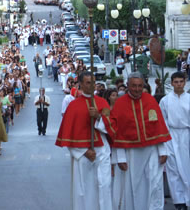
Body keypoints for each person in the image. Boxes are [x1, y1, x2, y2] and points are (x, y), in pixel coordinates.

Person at [55, 71, 115, 210]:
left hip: (102, 151)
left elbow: (111, 127)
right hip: (83, 154)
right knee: (84, 190)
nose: (91, 85)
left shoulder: (102, 102)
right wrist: (83, 151)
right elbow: (69, 136)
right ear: (81, 84)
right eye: (88, 83)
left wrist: (99, 117)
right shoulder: (73, 106)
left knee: (104, 185)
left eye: (93, 82)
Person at [111, 72, 171, 210]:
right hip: (130, 153)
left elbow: (159, 126)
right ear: (128, 86)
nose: (137, 89)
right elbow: (117, 133)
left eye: (139, 86)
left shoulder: (150, 100)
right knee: (131, 187)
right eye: (134, 86)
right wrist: (120, 158)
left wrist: (163, 150)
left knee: (154, 184)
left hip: (151, 152)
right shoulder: (120, 104)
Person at [159, 72, 190, 210]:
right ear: (171, 83)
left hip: (185, 136)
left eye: (181, 81)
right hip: (170, 135)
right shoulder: (165, 101)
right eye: (176, 82)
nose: (178, 84)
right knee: (173, 170)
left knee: (185, 169)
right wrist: (164, 142)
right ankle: (179, 201)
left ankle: (186, 199)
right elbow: (162, 121)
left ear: (184, 82)